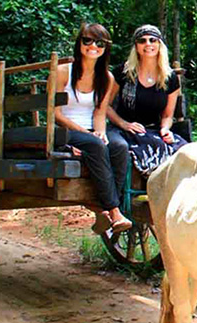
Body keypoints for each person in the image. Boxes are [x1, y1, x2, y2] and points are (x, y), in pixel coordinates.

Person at [55, 23, 132, 233]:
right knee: (96, 145)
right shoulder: (63, 72)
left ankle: (103, 212)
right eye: (87, 40)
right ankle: (113, 211)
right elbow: (56, 114)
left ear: (105, 47)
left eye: (99, 43)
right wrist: (85, 133)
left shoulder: (107, 78)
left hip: (91, 131)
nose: (93, 46)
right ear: (79, 43)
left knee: (119, 147)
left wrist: (102, 132)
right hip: (66, 130)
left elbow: (100, 112)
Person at [108, 24, 186, 177]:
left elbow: (167, 115)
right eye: (142, 41)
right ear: (136, 46)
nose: (148, 44)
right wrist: (124, 123)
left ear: (159, 45)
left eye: (153, 40)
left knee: (184, 152)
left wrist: (165, 129)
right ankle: (131, 195)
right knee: (138, 148)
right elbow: (105, 106)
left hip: (154, 130)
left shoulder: (170, 78)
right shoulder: (123, 73)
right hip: (124, 130)